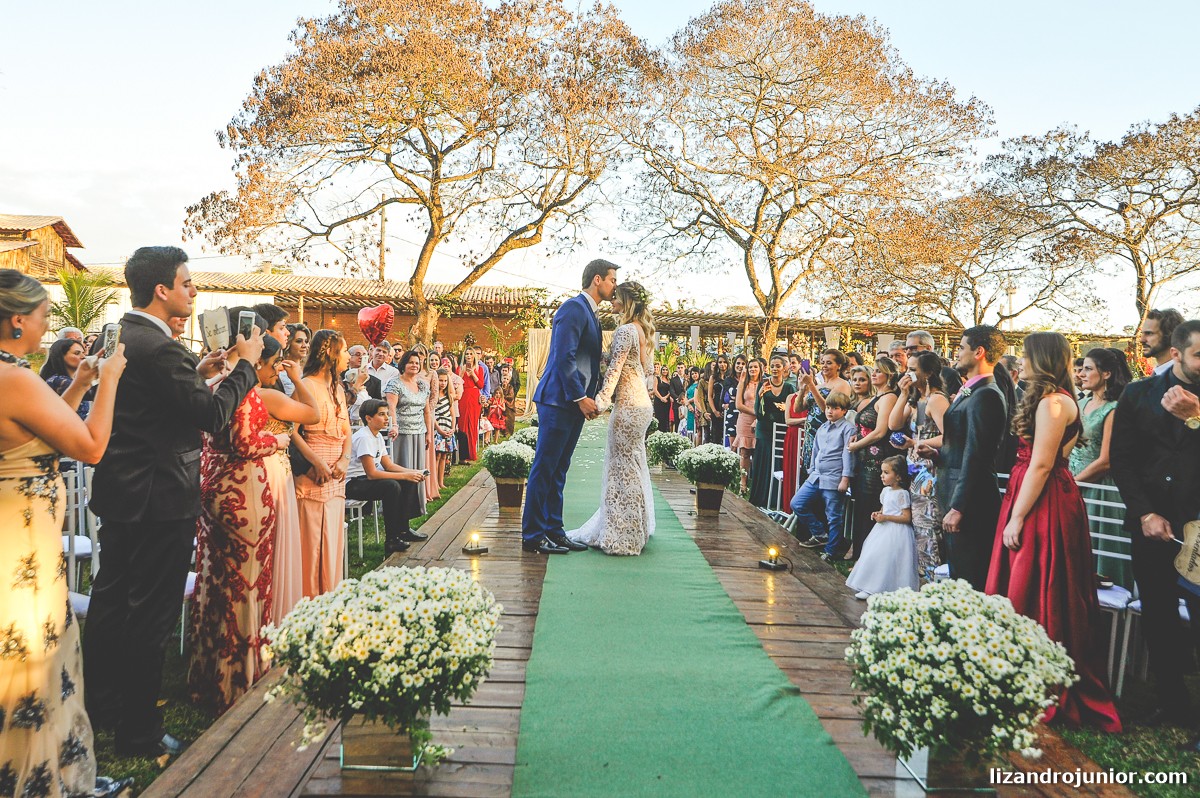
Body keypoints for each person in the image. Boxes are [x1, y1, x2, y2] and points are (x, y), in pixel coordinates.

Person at [83, 247, 262, 759]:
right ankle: (139, 730)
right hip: (159, 495)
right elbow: (210, 415)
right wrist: (244, 367)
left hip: (122, 491)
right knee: (151, 614)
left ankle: (105, 708)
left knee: (112, 603)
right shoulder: (160, 348)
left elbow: (158, 403)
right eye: (188, 284)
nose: (194, 292)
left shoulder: (125, 335)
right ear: (162, 290)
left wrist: (200, 371)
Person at [0, 269, 132, 798]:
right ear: (16, 321)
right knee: (33, 660)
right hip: (22, 540)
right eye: (42, 316)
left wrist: (82, 383)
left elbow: (43, 422)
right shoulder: (15, 380)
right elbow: (91, 445)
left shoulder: (15, 376)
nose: (47, 323)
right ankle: (40, 779)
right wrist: (114, 379)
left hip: (20, 533)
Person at [986, 332, 1122, 733]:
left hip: (1042, 500)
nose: (1020, 362)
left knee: (1036, 583)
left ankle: (1036, 677)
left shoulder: (1053, 403)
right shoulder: (1056, 400)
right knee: (1032, 582)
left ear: (1041, 359)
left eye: (1026, 357)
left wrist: (1016, 517)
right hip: (1037, 493)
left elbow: (1043, 465)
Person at [188, 323, 305, 712]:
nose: (273, 374)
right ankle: (239, 676)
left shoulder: (216, 383)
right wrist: (279, 440)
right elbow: (245, 442)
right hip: (242, 497)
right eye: (272, 366)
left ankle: (211, 673)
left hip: (216, 488)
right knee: (246, 583)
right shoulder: (246, 391)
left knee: (216, 583)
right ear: (260, 360)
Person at [1110, 319, 1200, 749]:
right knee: (1159, 617)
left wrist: (1196, 417)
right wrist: (1144, 512)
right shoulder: (1137, 394)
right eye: (1199, 354)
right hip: (1152, 527)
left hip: (1198, 529)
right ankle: (1171, 702)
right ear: (1178, 353)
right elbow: (1123, 460)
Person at [523, 259, 616, 555]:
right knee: (544, 467)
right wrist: (580, 397)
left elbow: (588, 360)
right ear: (597, 279)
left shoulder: (592, 313)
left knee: (559, 469)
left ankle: (554, 529)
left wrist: (598, 395)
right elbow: (564, 357)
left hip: (573, 405)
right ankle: (533, 535)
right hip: (558, 400)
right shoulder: (573, 308)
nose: (614, 286)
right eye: (612, 280)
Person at [567, 281, 656, 555]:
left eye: (616, 298)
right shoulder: (645, 332)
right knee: (633, 464)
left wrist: (600, 404)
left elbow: (613, 373)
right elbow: (649, 373)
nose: (612, 301)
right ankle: (635, 529)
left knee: (621, 468)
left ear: (626, 302)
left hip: (628, 407)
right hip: (643, 405)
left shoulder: (625, 331)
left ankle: (623, 536)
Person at [925, 325, 1009, 591]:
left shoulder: (987, 395)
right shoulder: (971, 391)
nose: (956, 353)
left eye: (961, 347)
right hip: (954, 494)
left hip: (971, 506)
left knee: (970, 581)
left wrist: (959, 507)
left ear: (979, 352)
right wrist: (938, 452)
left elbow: (977, 456)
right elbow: (963, 446)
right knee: (958, 574)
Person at [259, 353, 320, 627]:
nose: (277, 369)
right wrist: (298, 377)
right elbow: (312, 413)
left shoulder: (263, 393)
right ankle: (276, 611)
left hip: (274, 469)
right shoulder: (266, 396)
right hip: (271, 471)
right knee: (275, 542)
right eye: (274, 363)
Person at [292, 329, 352, 597]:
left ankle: (331, 596)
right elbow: (291, 431)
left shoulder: (338, 388)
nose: (349, 356)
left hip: (337, 476)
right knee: (312, 543)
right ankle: (309, 602)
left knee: (332, 541)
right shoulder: (305, 386)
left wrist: (345, 459)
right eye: (345, 351)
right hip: (313, 475)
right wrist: (315, 462)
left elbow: (347, 430)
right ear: (330, 353)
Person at [1068, 347, 1132, 589]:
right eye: (1081, 369)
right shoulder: (1081, 402)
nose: (1081, 374)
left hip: (1098, 488)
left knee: (1099, 552)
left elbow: (1106, 460)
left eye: (1088, 369)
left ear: (1106, 374)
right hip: (1072, 478)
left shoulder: (1114, 408)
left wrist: (1074, 484)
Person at [890, 352, 950, 584]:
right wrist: (903, 394)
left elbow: (948, 437)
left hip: (931, 469)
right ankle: (924, 578)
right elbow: (893, 424)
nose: (908, 373)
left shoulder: (937, 400)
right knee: (919, 527)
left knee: (929, 529)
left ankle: (935, 582)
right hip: (914, 468)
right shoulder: (917, 401)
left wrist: (916, 443)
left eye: (913, 369)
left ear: (929, 373)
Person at [345, 400, 427, 554]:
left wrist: (412, 472)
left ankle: (403, 530)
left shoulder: (377, 436)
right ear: (368, 418)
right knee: (392, 486)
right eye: (381, 415)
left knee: (408, 480)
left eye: (387, 414)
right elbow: (372, 473)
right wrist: (404, 476)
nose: (386, 418)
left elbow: (389, 465)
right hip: (352, 484)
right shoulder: (364, 437)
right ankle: (391, 539)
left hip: (365, 479)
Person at [845, 358, 900, 560]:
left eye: (879, 371)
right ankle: (859, 554)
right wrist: (856, 436)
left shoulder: (889, 398)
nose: (874, 374)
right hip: (864, 460)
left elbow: (880, 432)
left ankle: (867, 557)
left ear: (889, 375)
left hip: (876, 463)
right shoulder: (877, 397)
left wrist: (857, 445)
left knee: (869, 508)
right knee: (861, 507)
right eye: (874, 370)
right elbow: (865, 427)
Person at [794, 391, 855, 561]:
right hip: (816, 476)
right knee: (797, 503)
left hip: (834, 477)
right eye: (828, 407)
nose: (830, 411)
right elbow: (816, 450)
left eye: (835, 408)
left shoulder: (848, 429)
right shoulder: (822, 427)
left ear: (844, 411)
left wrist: (845, 478)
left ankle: (831, 551)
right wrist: (812, 470)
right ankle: (820, 534)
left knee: (833, 515)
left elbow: (847, 454)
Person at [846, 456, 919, 599]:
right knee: (874, 556)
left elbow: (906, 517)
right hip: (882, 530)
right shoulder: (886, 491)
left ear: (898, 476)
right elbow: (885, 508)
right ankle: (870, 586)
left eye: (886, 472)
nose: (882, 475)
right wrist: (879, 513)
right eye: (882, 472)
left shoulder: (902, 494)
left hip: (897, 532)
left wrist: (886, 517)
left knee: (890, 560)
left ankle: (889, 588)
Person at [384, 349, 433, 516]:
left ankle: (414, 508)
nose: (414, 365)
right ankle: (399, 510)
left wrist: (428, 433)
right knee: (403, 471)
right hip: (401, 435)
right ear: (403, 364)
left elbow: (427, 411)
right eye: (411, 362)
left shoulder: (422, 385)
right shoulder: (394, 383)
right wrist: (395, 426)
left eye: (417, 363)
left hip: (419, 434)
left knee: (417, 471)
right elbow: (390, 408)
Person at [749, 354, 793, 507]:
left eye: (778, 366)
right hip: (765, 429)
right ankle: (761, 497)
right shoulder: (764, 385)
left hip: (782, 429)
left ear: (784, 368)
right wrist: (761, 396)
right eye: (772, 366)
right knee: (764, 459)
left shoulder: (789, 387)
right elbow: (758, 412)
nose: (775, 369)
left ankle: (777, 499)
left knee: (779, 461)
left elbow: (793, 408)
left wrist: (786, 408)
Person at [798, 350, 852, 476]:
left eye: (829, 363)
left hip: (827, 434)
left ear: (838, 365)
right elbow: (799, 408)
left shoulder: (842, 384)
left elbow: (827, 409)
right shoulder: (819, 386)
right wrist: (802, 389)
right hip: (810, 435)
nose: (824, 366)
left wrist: (811, 384)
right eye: (823, 362)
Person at [40, 337, 95, 420]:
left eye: (83, 353)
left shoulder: (69, 379)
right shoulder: (59, 381)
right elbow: (93, 393)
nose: (83, 356)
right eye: (77, 353)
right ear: (61, 356)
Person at [734, 358, 764, 493]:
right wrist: (756, 412)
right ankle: (743, 483)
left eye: (755, 367)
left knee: (757, 452)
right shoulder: (743, 383)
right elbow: (738, 405)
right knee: (744, 452)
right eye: (750, 367)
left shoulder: (764, 384)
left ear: (760, 369)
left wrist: (759, 416)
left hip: (759, 420)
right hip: (745, 419)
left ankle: (756, 484)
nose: (753, 369)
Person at [457, 349, 486, 462]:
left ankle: (471, 453)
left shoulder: (480, 369)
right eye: (467, 354)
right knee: (463, 424)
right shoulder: (460, 368)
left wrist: (473, 374)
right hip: (463, 396)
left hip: (474, 398)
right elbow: (457, 382)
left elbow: (480, 385)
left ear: (474, 356)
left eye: (471, 354)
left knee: (473, 425)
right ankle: (462, 455)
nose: (469, 356)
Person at [432, 368, 457, 486]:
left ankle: (441, 482)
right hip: (438, 428)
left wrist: (452, 428)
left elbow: (453, 414)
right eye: (440, 380)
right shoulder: (433, 397)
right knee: (437, 456)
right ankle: (435, 483)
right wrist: (439, 430)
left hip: (448, 428)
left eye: (445, 381)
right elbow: (432, 415)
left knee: (444, 456)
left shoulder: (449, 397)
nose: (443, 383)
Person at [1139, 308, 1184, 376]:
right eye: (1142, 334)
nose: (1142, 340)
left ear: (1170, 335)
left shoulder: (1188, 378)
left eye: (1149, 333)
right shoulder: (1157, 374)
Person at [277, 324, 310, 396]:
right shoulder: (279, 372)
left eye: (306, 341)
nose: (304, 345)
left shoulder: (309, 370)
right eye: (299, 341)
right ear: (288, 343)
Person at [709, 354, 731, 443]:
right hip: (716, 407)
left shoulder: (730, 377)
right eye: (720, 362)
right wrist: (714, 411)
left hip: (728, 407)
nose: (722, 364)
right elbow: (710, 396)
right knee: (716, 434)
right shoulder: (713, 377)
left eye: (725, 362)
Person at [651, 364, 672, 434]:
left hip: (666, 401)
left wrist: (665, 397)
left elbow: (670, 391)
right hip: (658, 401)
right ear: (661, 370)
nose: (665, 371)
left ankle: (665, 434)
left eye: (666, 370)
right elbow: (655, 390)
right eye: (663, 370)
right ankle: (658, 434)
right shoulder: (657, 378)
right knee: (659, 418)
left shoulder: (669, 380)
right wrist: (661, 398)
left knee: (666, 419)